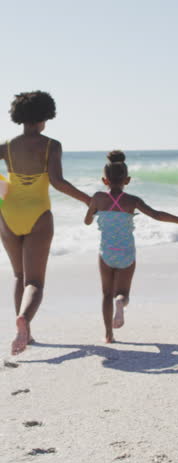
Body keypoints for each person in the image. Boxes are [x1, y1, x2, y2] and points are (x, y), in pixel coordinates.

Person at [0, 91, 91, 355]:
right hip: (38, 213)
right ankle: (24, 321)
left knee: (19, 275)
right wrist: (87, 200)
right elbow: (58, 182)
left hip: (8, 213)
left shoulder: (6, 147)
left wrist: (3, 186)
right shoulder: (51, 145)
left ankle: (24, 331)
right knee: (35, 282)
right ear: (45, 116)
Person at [85, 150, 178, 343]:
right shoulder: (132, 200)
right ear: (127, 180)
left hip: (106, 253)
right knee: (123, 293)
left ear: (104, 180)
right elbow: (157, 215)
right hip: (127, 252)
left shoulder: (98, 198)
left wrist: (94, 210)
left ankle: (108, 334)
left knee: (106, 294)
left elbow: (87, 221)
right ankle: (121, 302)